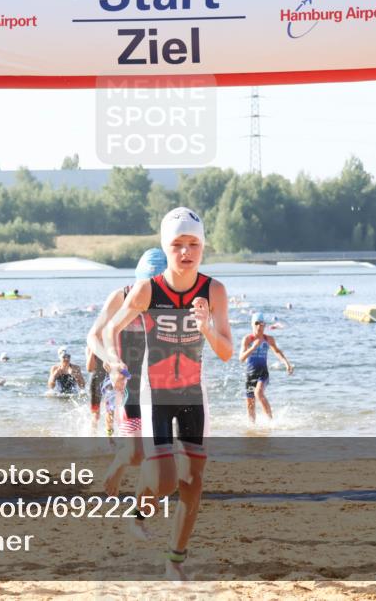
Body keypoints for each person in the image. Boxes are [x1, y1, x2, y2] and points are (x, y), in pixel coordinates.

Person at [102, 207, 233, 580]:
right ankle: (139, 510)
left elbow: (225, 352)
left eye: (193, 244)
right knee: (164, 479)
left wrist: (205, 326)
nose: (186, 252)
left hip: (193, 394)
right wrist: (113, 363)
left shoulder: (214, 290)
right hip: (155, 392)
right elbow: (112, 328)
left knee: (192, 484)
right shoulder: (148, 290)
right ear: (166, 247)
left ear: (203, 247)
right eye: (177, 244)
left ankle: (174, 560)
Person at [87, 247, 168, 508]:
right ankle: (120, 463)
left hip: (157, 383)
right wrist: (110, 361)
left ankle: (146, 496)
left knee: (158, 449)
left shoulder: (170, 301)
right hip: (127, 382)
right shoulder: (120, 297)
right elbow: (93, 336)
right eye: (146, 283)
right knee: (135, 454)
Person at [239, 313, 293, 424]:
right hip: (250, 374)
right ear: (252, 325)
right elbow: (241, 358)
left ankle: (270, 422)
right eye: (256, 323)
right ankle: (252, 429)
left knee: (258, 393)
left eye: (262, 324)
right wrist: (253, 347)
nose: (259, 326)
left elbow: (277, 352)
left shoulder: (268, 339)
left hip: (263, 372)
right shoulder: (247, 339)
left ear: (264, 325)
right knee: (250, 403)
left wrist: (286, 363)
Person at [86, 346, 112, 436]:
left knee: (110, 411)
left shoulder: (111, 342)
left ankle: (110, 438)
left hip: (110, 379)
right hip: (96, 380)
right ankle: (93, 437)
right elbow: (89, 369)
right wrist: (93, 350)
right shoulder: (91, 346)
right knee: (95, 414)